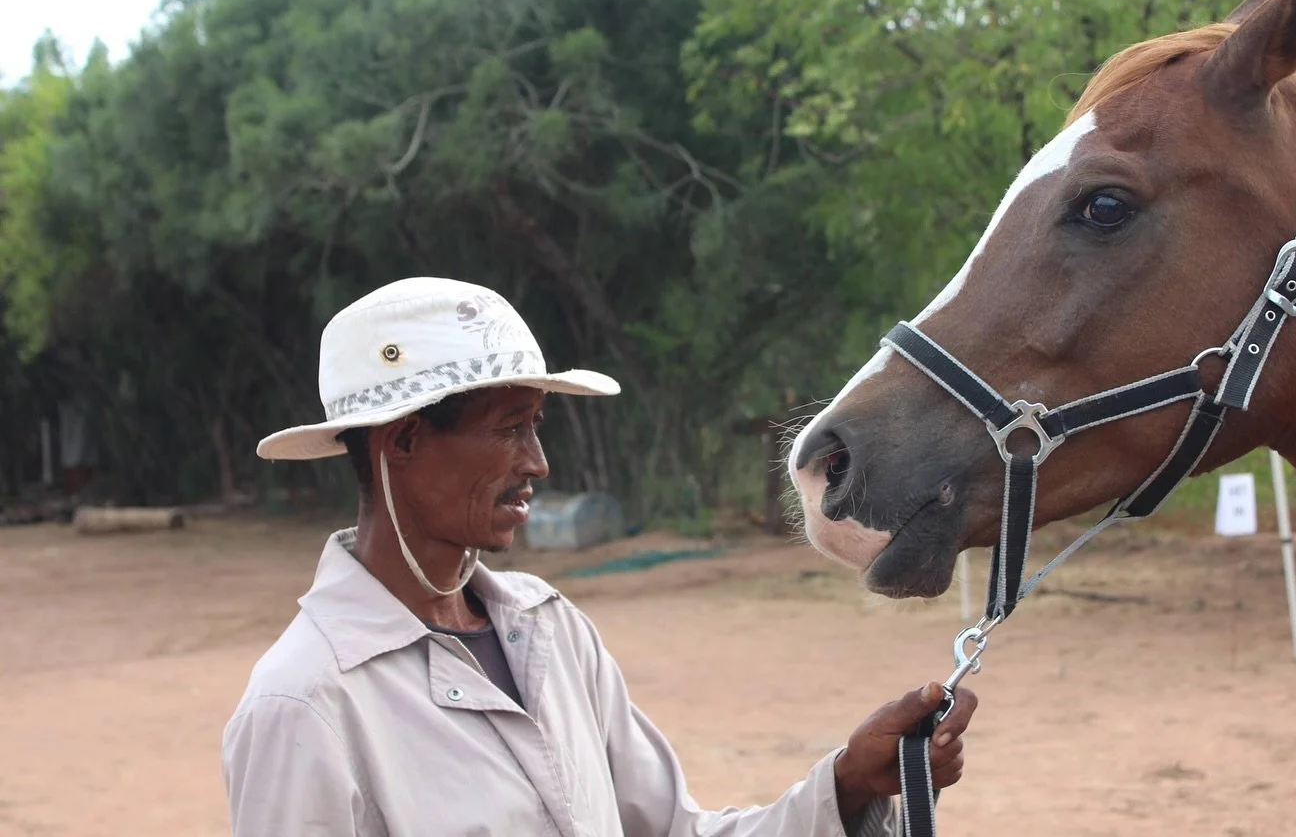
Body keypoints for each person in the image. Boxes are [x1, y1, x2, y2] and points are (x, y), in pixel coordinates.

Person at [221, 276, 978, 836]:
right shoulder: (305, 704)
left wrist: (846, 784)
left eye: (538, 425)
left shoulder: (549, 632)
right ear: (405, 441)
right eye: (511, 427)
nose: (538, 462)